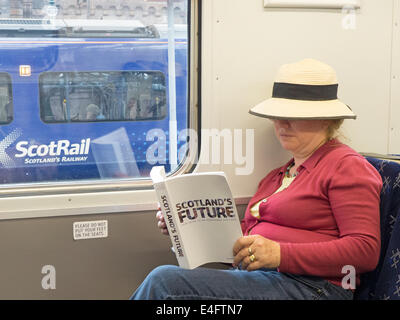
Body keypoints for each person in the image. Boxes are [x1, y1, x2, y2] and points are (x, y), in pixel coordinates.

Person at [130, 59, 382, 300]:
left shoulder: (346, 166)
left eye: (293, 114)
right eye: (276, 114)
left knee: (165, 283)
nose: (280, 123)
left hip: (314, 287)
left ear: (325, 118)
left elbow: (364, 250)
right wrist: (185, 227)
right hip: (264, 277)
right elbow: (246, 242)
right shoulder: (277, 177)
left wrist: (280, 255)